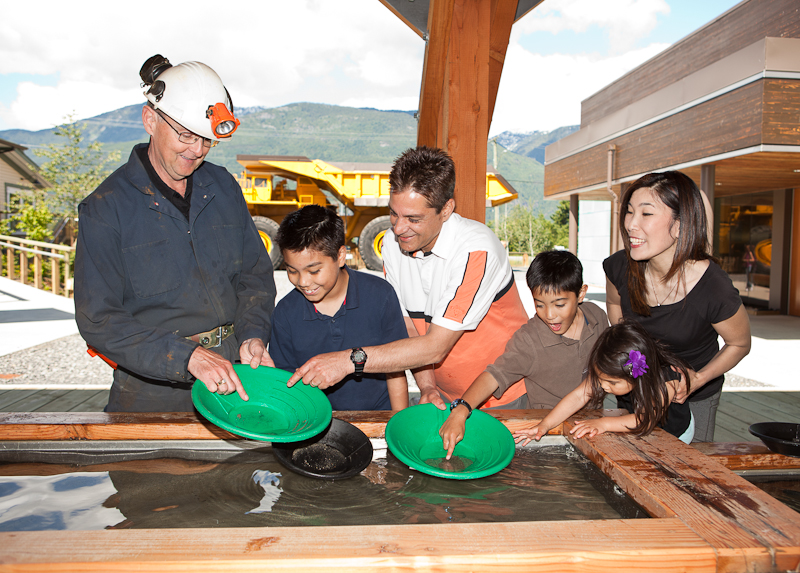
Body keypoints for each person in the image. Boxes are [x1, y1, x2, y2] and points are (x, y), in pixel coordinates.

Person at [74, 55, 276, 412]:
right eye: (185, 135)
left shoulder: (223, 188)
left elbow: (254, 276)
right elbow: (99, 319)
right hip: (152, 391)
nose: (196, 151)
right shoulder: (106, 207)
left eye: (207, 140)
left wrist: (254, 335)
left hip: (235, 374)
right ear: (150, 120)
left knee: (239, 469)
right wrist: (188, 357)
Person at [286, 146, 529, 411]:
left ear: (446, 209)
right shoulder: (393, 244)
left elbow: (435, 347)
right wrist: (427, 387)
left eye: (413, 218)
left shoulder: (476, 251)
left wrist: (348, 361)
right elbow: (410, 328)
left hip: (504, 396)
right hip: (447, 397)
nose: (399, 228)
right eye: (394, 213)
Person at [603, 171, 750, 442]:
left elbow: (740, 344)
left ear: (681, 225)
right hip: (638, 389)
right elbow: (614, 303)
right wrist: (628, 349)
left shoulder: (713, 287)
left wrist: (699, 378)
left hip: (691, 397)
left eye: (646, 214)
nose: (631, 225)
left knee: (687, 477)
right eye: (629, 212)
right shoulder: (620, 266)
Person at [439, 250, 609, 459]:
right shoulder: (529, 340)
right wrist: (461, 409)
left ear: (581, 294)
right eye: (539, 304)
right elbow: (494, 375)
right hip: (547, 433)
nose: (549, 315)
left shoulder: (597, 316)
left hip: (594, 423)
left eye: (559, 304)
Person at [269, 205, 409, 411]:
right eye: (292, 271)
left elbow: (396, 369)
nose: (303, 281)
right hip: (315, 423)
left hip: (378, 415)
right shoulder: (285, 313)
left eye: (314, 270)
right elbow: (286, 385)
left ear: (341, 256)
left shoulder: (380, 295)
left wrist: (398, 425)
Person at [513, 321, 695, 446]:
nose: (604, 386)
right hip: (638, 418)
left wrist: (604, 424)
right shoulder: (610, 371)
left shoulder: (666, 381)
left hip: (674, 431)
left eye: (611, 382)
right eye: (601, 379)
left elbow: (644, 421)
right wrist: (545, 425)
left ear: (635, 373)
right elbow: (579, 395)